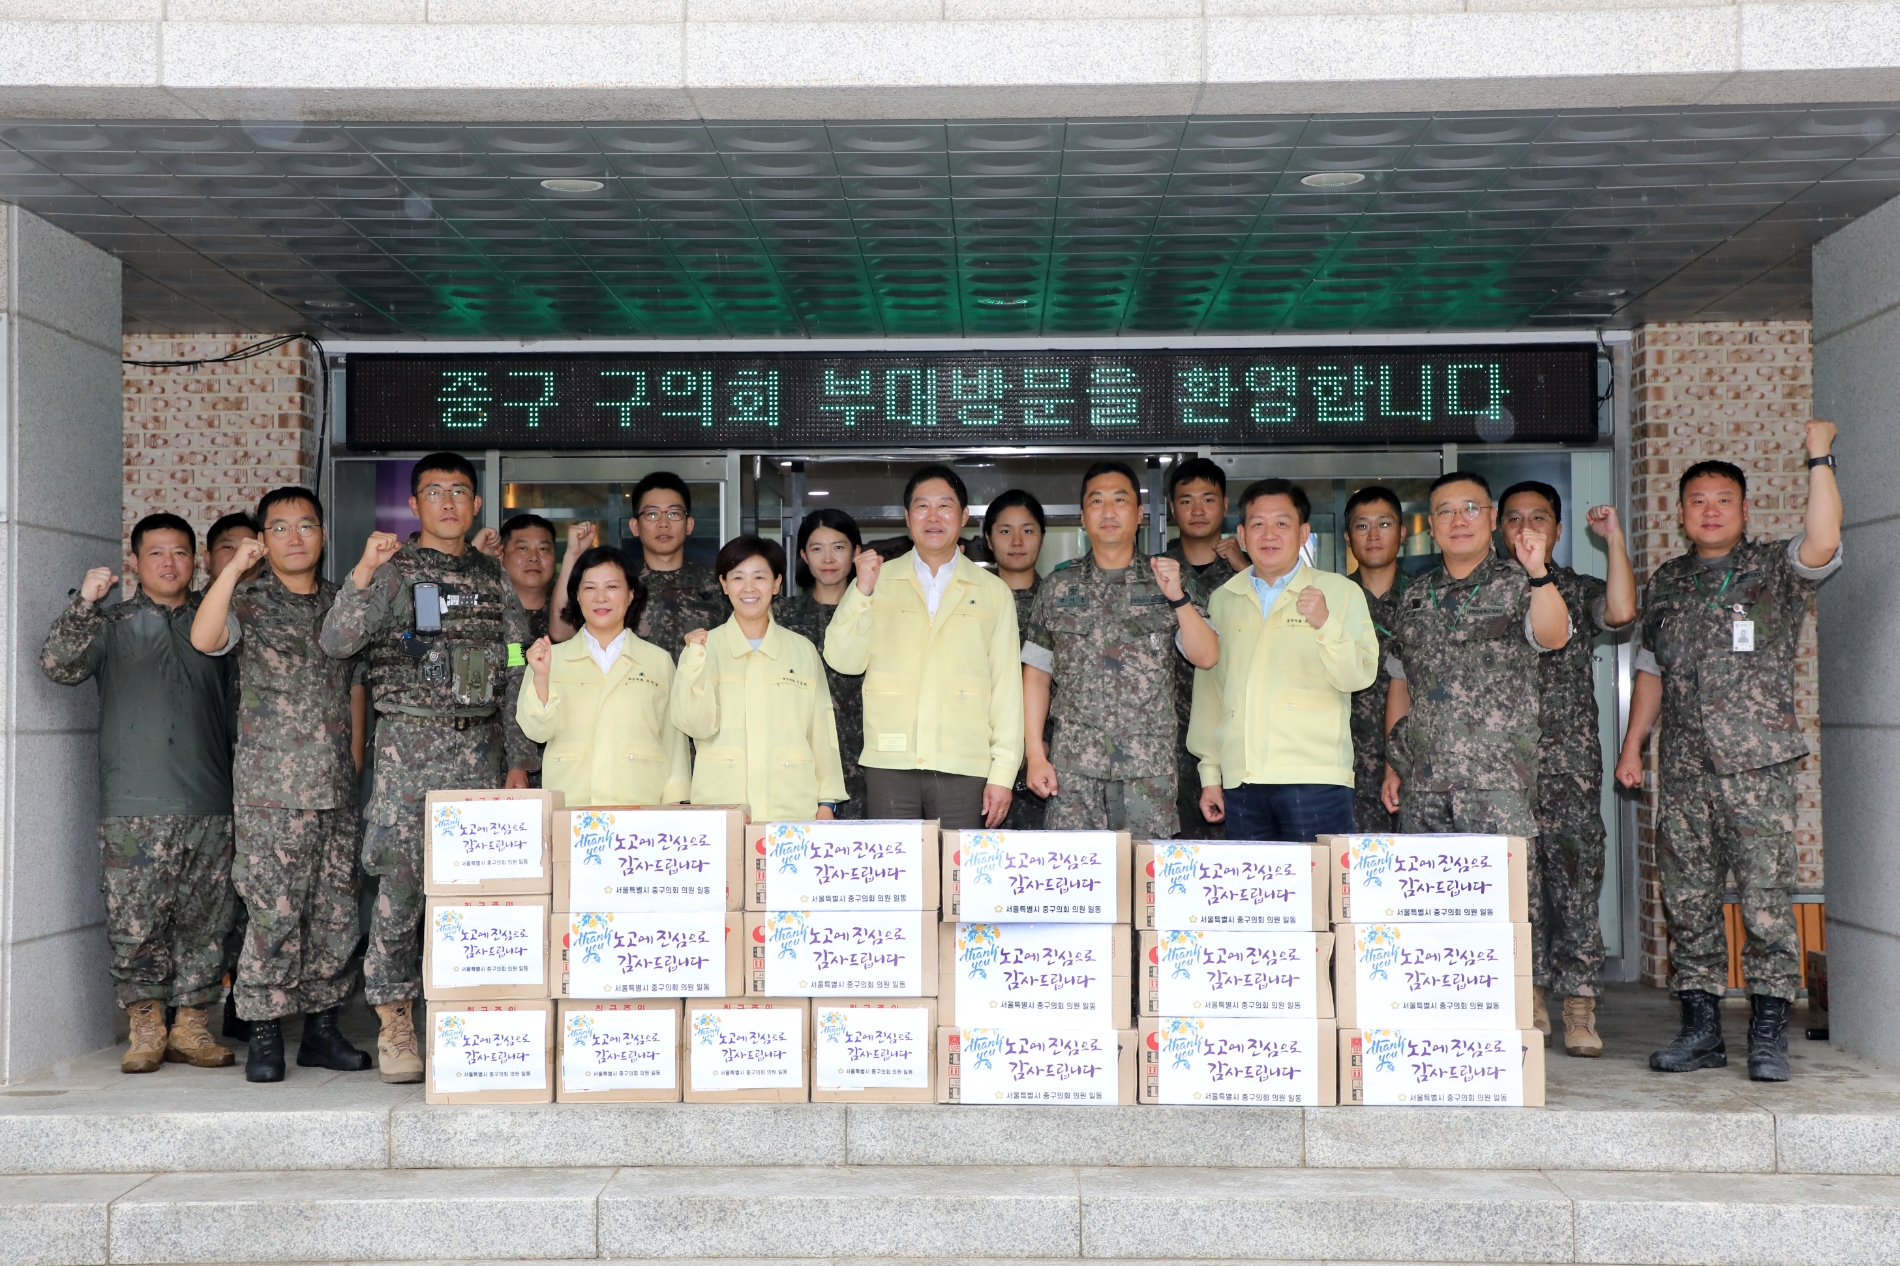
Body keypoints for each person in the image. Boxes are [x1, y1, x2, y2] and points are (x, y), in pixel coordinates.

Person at [1615, 424, 1843, 1083]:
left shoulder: (1772, 568)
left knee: (1767, 900)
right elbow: (1651, 672)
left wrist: (1818, 458)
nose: (1709, 510)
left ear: (1744, 510)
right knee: (1688, 902)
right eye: (1696, 500)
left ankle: (1769, 1033)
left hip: (1757, 769)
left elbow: (1824, 540)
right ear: (1680, 513)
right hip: (1684, 770)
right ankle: (1701, 1030)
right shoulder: (1667, 582)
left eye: (1722, 499)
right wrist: (1635, 747)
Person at [317, 452, 534, 1083]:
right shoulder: (392, 572)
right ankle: (395, 1021)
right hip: (411, 750)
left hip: (484, 753)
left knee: (478, 896)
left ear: (475, 505)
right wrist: (362, 569)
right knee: (401, 890)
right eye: (434, 492)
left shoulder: (494, 578)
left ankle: (466, 1019)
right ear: (413, 505)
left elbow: (517, 663)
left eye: (459, 492)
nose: (447, 503)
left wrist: (519, 759)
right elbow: (336, 642)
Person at [41, 513, 236, 1073]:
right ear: (134, 561)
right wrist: (85, 602)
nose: (169, 563)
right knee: (136, 923)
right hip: (133, 806)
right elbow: (57, 666)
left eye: (180, 552)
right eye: (156, 553)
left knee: (206, 923)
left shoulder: (217, 620)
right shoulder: (113, 622)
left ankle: (193, 1025)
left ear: (195, 561)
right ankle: (146, 1026)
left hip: (210, 801)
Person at [190, 487, 373, 1083]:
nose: (295, 538)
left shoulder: (342, 603)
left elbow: (354, 690)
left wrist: (350, 765)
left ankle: (321, 1030)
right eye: (280, 528)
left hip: (334, 789)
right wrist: (235, 571)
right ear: (263, 539)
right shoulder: (250, 601)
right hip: (272, 792)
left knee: (335, 914)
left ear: (323, 534)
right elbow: (204, 639)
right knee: (273, 913)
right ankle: (265, 1034)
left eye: (306, 526)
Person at [1498, 481, 1638, 1057]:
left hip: (1569, 768)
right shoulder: (1484, 592)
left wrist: (1614, 542)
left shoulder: (1576, 589)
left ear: (1557, 529)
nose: (1526, 527)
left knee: (1576, 886)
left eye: (1539, 517)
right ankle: (1527, 996)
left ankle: (1579, 1006)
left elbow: (1623, 611)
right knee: (1517, 892)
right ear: (1498, 527)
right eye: (1514, 518)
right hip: (1502, 770)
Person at [1023, 463, 1218, 838]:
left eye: (1120, 500)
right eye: (1096, 501)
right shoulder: (1058, 588)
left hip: (1148, 771)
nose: (1108, 511)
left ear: (1139, 514)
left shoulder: (1170, 578)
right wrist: (1035, 753)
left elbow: (1207, 656)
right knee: (1077, 885)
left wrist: (1177, 597)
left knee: (1145, 889)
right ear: (1082, 516)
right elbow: (1037, 674)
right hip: (1074, 770)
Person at [824, 464, 1023, 830]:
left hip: (964, 765)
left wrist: (1003, 771)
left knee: (956, 880)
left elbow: (1007, 689)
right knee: (896, 880)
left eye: (945, 506)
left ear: (963, 516)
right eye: (922, 506)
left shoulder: (993, 592)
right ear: (906, 517)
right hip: (890, 764)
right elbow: (843, 659)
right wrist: (862, 591)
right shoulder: (876, 579)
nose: (933, 517)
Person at [1381, 470, 1570, 841]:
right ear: (1432, 527)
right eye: (1445, 512)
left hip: (1498, 787)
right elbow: (1401, 685)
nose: (1459, 520)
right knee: (1427, 898)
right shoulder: (1415, 596)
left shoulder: (1520, 583)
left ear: (1491, 517)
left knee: (1505, 899)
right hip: (1424, 787)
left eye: (1470, 508)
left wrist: (1538, 572)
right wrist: (1392, 767)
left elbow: (1555, 636)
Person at [1188, 479, 1378, 842]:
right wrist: (1211, 774)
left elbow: (1359, 676)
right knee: (1255, 895)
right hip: (1242, 779)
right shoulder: (1224, 598)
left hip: (1315, 779)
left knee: (1320, 894)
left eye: (1282, 523)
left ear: (1304, 532)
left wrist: (1326, 623)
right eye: (1258, 524)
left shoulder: (1339, 592)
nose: (1269, 534)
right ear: (1242, 535)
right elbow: (1212, 691)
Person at [675, 537, 846, 822]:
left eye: (760, 577)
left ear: (777, 583)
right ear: (724, 584)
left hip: (792, 807)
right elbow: (694, 725)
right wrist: (695, 660)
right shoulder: (703, 648)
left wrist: (826, 802)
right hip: (721, 807)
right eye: (738, 577)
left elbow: (821, 729)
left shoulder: (801, 649)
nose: (749, 587)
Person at [516, 546, 690, 807]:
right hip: (572, 806)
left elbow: (674, 743)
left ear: (630, 594)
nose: (600, 598)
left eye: (612, 587)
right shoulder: (550, 659)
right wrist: (541, 677)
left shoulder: (658, 660)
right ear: (576, 595)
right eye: (589, 588)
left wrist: (677, 802)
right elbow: (537, 731)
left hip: (641, 806)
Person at [1161, 458, 1247, 838]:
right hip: (1167, 740)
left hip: (1236, 735)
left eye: (1208, 499)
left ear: (1226, 505)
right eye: (1186, 500)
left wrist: (1244, 565)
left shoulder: (1249, 574)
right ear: (1171, 508)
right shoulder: (1155, 572)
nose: (1197, 510)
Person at [553, 473, 726, 660]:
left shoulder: (716, 584)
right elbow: (562, 633)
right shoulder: (619, 582)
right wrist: (572, 555)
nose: (663, 524)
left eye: (673, 513)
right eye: (652, 514)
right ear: (635, 526)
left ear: (689, 524)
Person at [775, 509, 867, 817]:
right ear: (803, 555)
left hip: (863, 753)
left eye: (838, 547)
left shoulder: (874, 612)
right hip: (800, 752)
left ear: (857, 552)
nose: (828, 558)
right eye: (817, 549)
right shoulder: (780, 615)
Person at [1343, 486, 1408, 833]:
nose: (1373, 535)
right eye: (1362, 525)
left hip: (1416, 772)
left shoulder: (1426, 598)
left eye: (1384, 524)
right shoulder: (1330, 601)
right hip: (1343, 771)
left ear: (1403, 532)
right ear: (1348, 537)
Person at [983, 490, 1049, 830]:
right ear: (989, 540)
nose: (1017, 540)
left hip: (1050, 766)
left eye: (1028, 530)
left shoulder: (1059, 600)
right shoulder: (972, 601)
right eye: (1005, 531)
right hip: (983, 763)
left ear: (1042, 537)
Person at [499, 513, 558, 788]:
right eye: (522, 548)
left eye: (543, 549)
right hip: (497, 766)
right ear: (502, 555)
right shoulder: (485, 616)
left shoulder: (573, 619)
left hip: (562, 763)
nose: (534, 557)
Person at [205, 512, 263, 587]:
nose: (239, 555)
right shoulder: (192, 598)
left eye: (249, 549)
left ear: (261, 563)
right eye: (229, 547)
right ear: (208, 558)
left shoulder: (275, 598)